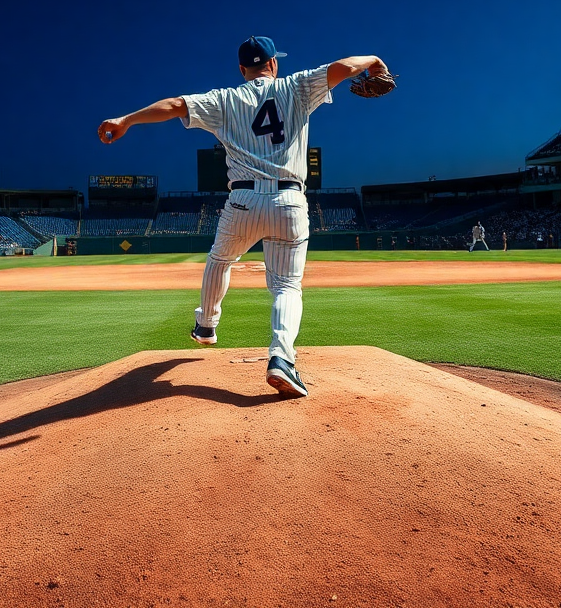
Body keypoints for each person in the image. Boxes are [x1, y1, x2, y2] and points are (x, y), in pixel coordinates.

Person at [97, 35, 390, 398]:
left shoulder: (224, 100)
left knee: (221, 258)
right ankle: (282, 358)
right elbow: (343, 68)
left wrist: (126, 120)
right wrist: (374, 59)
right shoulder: (296, 87)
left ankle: (206, 326)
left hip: (243, 201)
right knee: (286, 285)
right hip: (289, 201)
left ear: (242, 69)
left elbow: (174, 105)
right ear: (273, 63)